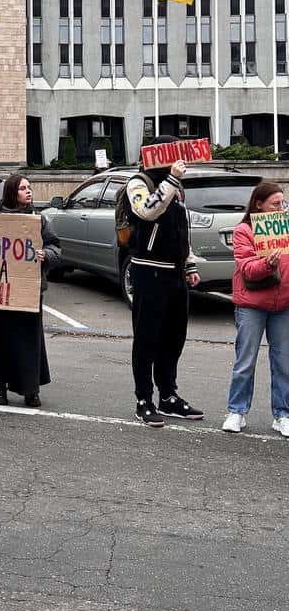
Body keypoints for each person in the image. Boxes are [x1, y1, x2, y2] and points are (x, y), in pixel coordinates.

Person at [126, 136, 203, 426]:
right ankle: (143, 399)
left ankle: (168, 396)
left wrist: (189, 263)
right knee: (147, 337)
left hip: (174, 272)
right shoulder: (138, 182)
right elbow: (147, 210)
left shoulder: (177, 187)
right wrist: (171, 180)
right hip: (149, 271)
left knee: (174, 337)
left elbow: (182, 230)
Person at [223, 181, 289, 436]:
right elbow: (247, 269)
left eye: (283, 203)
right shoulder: (244, 230)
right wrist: (267, 264)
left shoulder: (284, 228)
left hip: (283, 304)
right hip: (252, 304)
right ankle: (236, 411)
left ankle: (282, 414)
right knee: (245, 360)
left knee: (283, 361)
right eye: (275, 204)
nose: (280, 208)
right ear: (258, 204)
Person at [0, 174, 60, 408]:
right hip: (2, 290)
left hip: (30, 290)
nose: (28, 191)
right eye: (22, 188)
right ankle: (1, 386)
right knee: (3, 340)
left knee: (30, 341)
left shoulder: (38, 220)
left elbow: (55, 246)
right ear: (12, 192)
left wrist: (46, 255)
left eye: (29, 187)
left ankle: (31, 389)